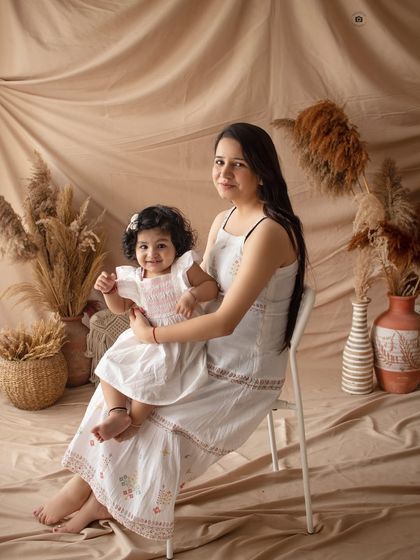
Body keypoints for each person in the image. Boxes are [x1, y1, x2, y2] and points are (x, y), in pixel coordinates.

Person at [33, 122, 307, 539]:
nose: (224, 173)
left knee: (157, 418)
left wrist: (153, 337)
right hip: (200, 348)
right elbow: (201, 289)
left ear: (263, 171)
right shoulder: (225, 217)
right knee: (125, 383)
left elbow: (225, 320)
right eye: (219, 162)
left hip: (242, 366)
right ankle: (83, 483)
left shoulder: (268, 231)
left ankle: (102, 501)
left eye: (238, 164)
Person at [91, 205, 219, 442]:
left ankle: (134, 422)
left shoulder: (183, 269)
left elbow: (211, 287)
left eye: (161, 245)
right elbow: (121, 307)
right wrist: (110, 291)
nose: (152, 254)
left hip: (176, 339)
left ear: (175, 246)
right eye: (144, 247)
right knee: (108, 365)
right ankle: (117, 412)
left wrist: (193, 294)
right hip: (143, 338)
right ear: (134, 248)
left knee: (152, 377)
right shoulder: (136, 278)